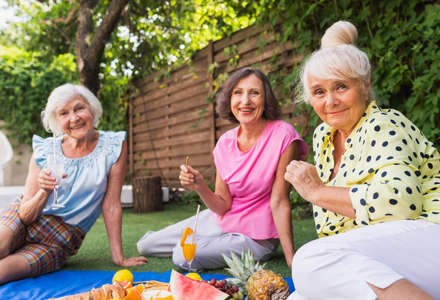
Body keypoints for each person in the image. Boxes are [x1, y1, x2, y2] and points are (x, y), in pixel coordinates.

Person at [284, 20, 440, 300]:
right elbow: (337, 232)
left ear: (365, 85)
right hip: (394, 260)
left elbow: (401, 203)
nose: (330, 101)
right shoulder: (324, 137)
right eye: (319, 92)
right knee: (301, 294)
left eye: (340, 87)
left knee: (309, 261)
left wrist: (317, 192)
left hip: (437, 237)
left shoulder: (385, 123)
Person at [137, 68, 308, 270]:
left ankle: (202, 245)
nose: (245, 101)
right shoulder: (225, 143)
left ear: (266, 99)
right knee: (145, 245)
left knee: (183, 256)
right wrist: (200, 186)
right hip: (223, 220)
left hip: (256, 236)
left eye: (254, 93)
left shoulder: (283, 135)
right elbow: (222, 205)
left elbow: (279, 201)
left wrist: (291, 257)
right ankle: (205, 242)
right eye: (238, 93)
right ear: (229, 99)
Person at [0, 83, 148, 284]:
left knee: (3, 271)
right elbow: (25, 216)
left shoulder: (113, 146)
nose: (74, 118)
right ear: (56, 120)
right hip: (24, 217)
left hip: (59, 239)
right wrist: (44, 192)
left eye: (79, 108)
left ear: (92, 109)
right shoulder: (45, 150)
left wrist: (118, 257)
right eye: (63, 113)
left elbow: (111, 205)